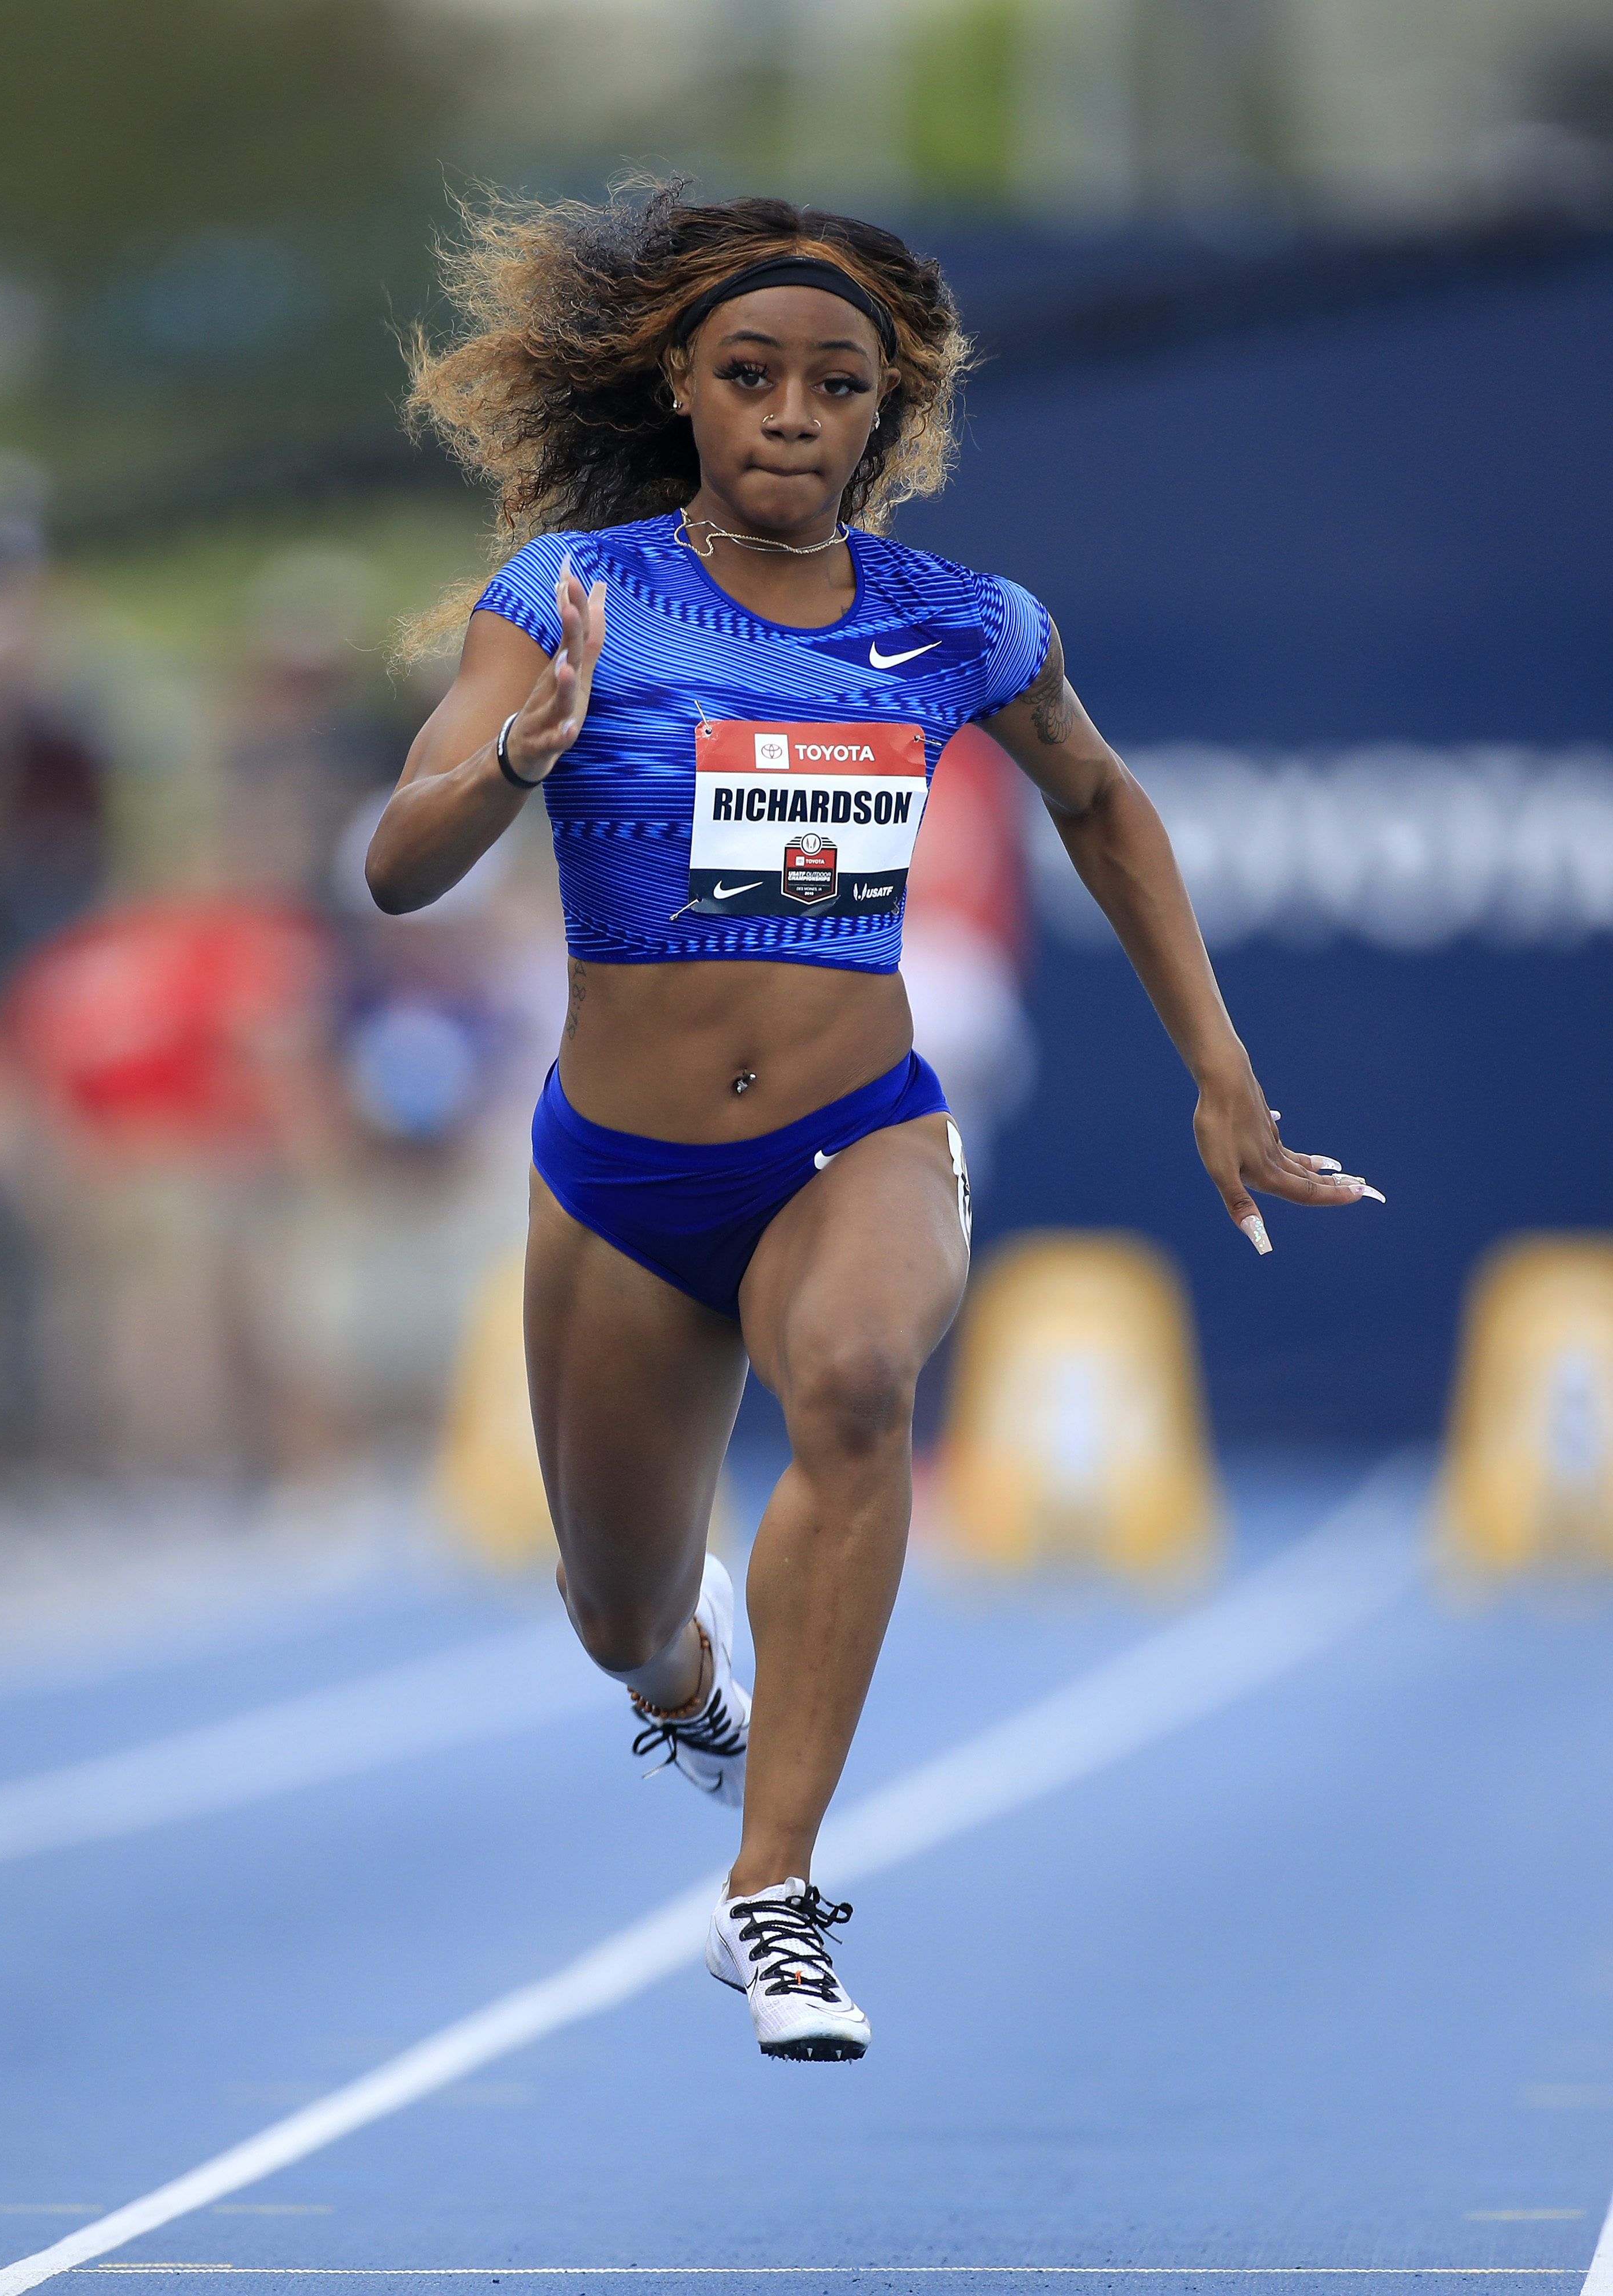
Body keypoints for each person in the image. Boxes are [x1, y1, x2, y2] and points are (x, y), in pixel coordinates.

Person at [367, 182, 1379, 2062]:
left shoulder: (961, 624)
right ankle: (687, 1688)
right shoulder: (571, 596)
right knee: (616, 1619)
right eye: (750, 375)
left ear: (881, 415)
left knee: (852, 1381)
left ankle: (774, 1895)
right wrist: (524, 749)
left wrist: (1219, 1071)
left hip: (856, 1138)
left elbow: (1104, 808)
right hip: (621, 1180)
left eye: (836, 387)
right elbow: (397, 867)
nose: (789, 415)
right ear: (683, 384)